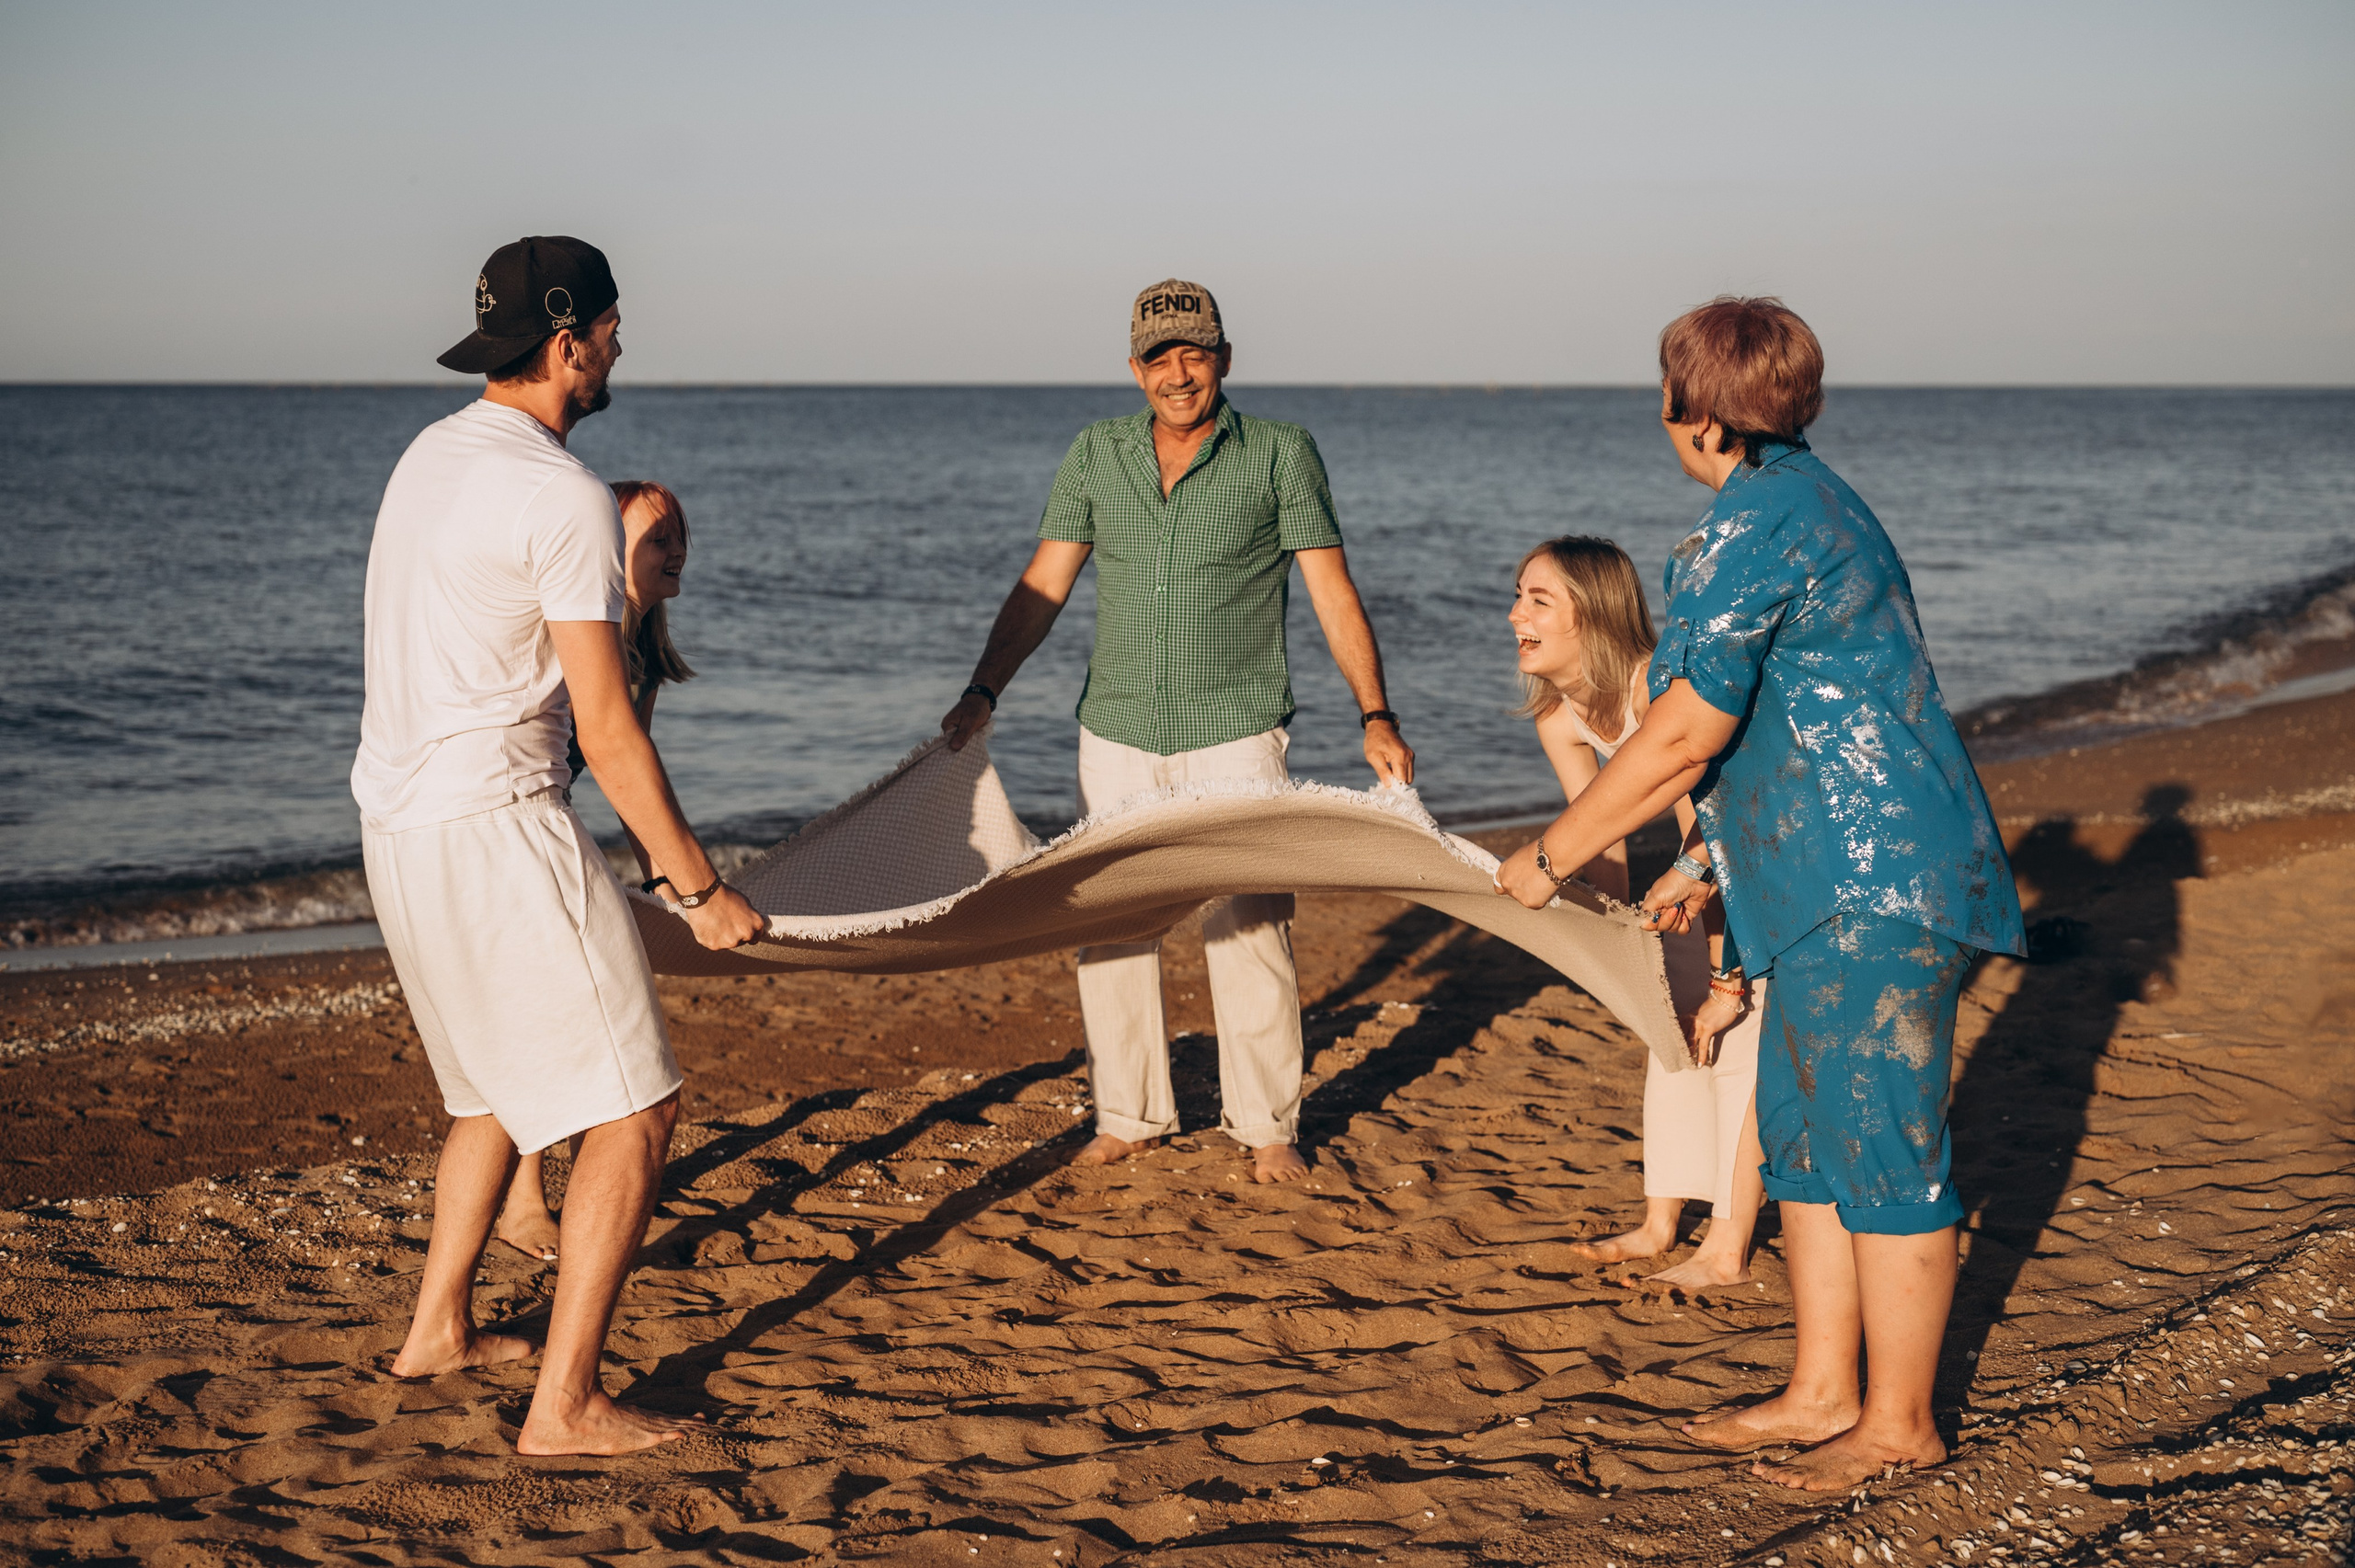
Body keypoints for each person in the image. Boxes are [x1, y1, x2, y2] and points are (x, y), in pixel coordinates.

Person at [1496, 297, 2024, 1491]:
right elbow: (1784, 731)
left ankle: (1899, 1420)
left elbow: (1686, 732)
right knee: (1800, 1146)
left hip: (1875, 879)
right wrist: (1701, 866)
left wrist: (1555, 852)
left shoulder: (1760, 525)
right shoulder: (1796, 509)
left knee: (1878, 1146)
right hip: (1807, 876)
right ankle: (1823, 1390)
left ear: (1689, 411)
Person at [353, 236, 763, 1455]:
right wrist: (697, 886)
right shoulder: (560, 492)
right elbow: (606, 723)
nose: (622, 344)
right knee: (637, 1109)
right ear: (569, 336)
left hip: (396, 823)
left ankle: (437, 1329)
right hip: (496, 829)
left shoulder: (430, 457)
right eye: (614, 326)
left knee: (492, 1090)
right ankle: (566, 1403)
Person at [940, 280, 1412, 1185]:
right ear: (1134, 369)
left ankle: (1267, 1125)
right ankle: (1129, 1114)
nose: (1178, 372)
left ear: (1225, 359)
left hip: (1236, 727)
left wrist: (1375, 712)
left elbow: (1330, 590)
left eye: (1194, 352)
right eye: (1160, 357)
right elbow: (1044, 585)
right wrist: (983, 689)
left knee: (1248, 925)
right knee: (1111, 925)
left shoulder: (1281, 453)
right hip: (1114, 729)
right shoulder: (1095, 453)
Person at [1508, 536, 1767, 1288]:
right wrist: (1616, 949)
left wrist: (1727, 971)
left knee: (1739, 1050)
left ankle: (1726, 1243)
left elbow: (1720, 819)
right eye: (1518, 594)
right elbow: (1600, 843)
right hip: (1686, 884)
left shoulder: (1662, 688)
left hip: (1745, 862)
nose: (1514, 613)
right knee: (1669, 1034)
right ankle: (1660, 1225)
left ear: (1592, 615)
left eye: (1537, 599)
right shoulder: (1559, 717)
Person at [493, 479, 699, 1265]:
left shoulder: (643, 645)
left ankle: (546, 1191)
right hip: (519, 834)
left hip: (556, 830)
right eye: (658, 539)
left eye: (681, 535)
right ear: (607, 553)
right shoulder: (585, 638)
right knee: (549, 1019)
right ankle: (521, 1203)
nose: (677, 549)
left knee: (568, 1018)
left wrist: (668, 883)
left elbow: (633, 770)